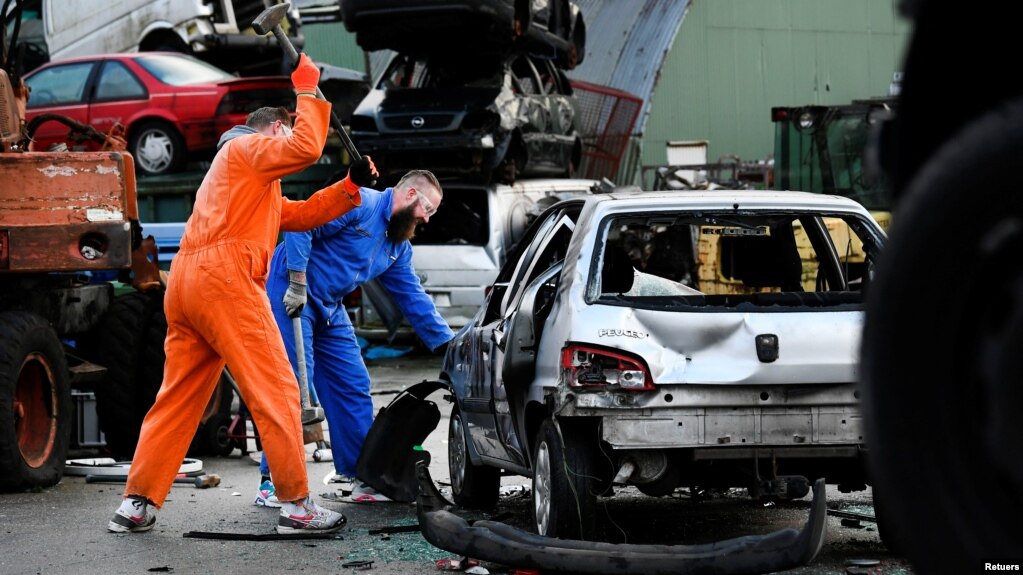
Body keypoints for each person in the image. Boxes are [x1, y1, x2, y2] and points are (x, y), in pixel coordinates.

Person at [106, 53, 379, 535]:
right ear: (271, 131)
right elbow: (306, 148)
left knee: (177, 397)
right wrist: (309, 91)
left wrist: (350, 186)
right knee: (277, 386)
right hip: (225, 282)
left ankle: (137, 501)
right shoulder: (247, 151)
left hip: (188, 284)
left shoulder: (242, 179)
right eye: (283, 133)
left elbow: (299, 215)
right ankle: (296, 504)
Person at [254, 169, 454, 506]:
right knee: (291, 387)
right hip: (292, 291)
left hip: (330, 306)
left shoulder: (396, 247)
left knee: (352, 385)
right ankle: (272, 482)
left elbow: (412, 297)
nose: (426, 220)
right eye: (428, 210)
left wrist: (448, 343)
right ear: (409, 196)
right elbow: (301, 222)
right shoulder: (358, 203)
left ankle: (364, 476)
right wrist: (298, 280)